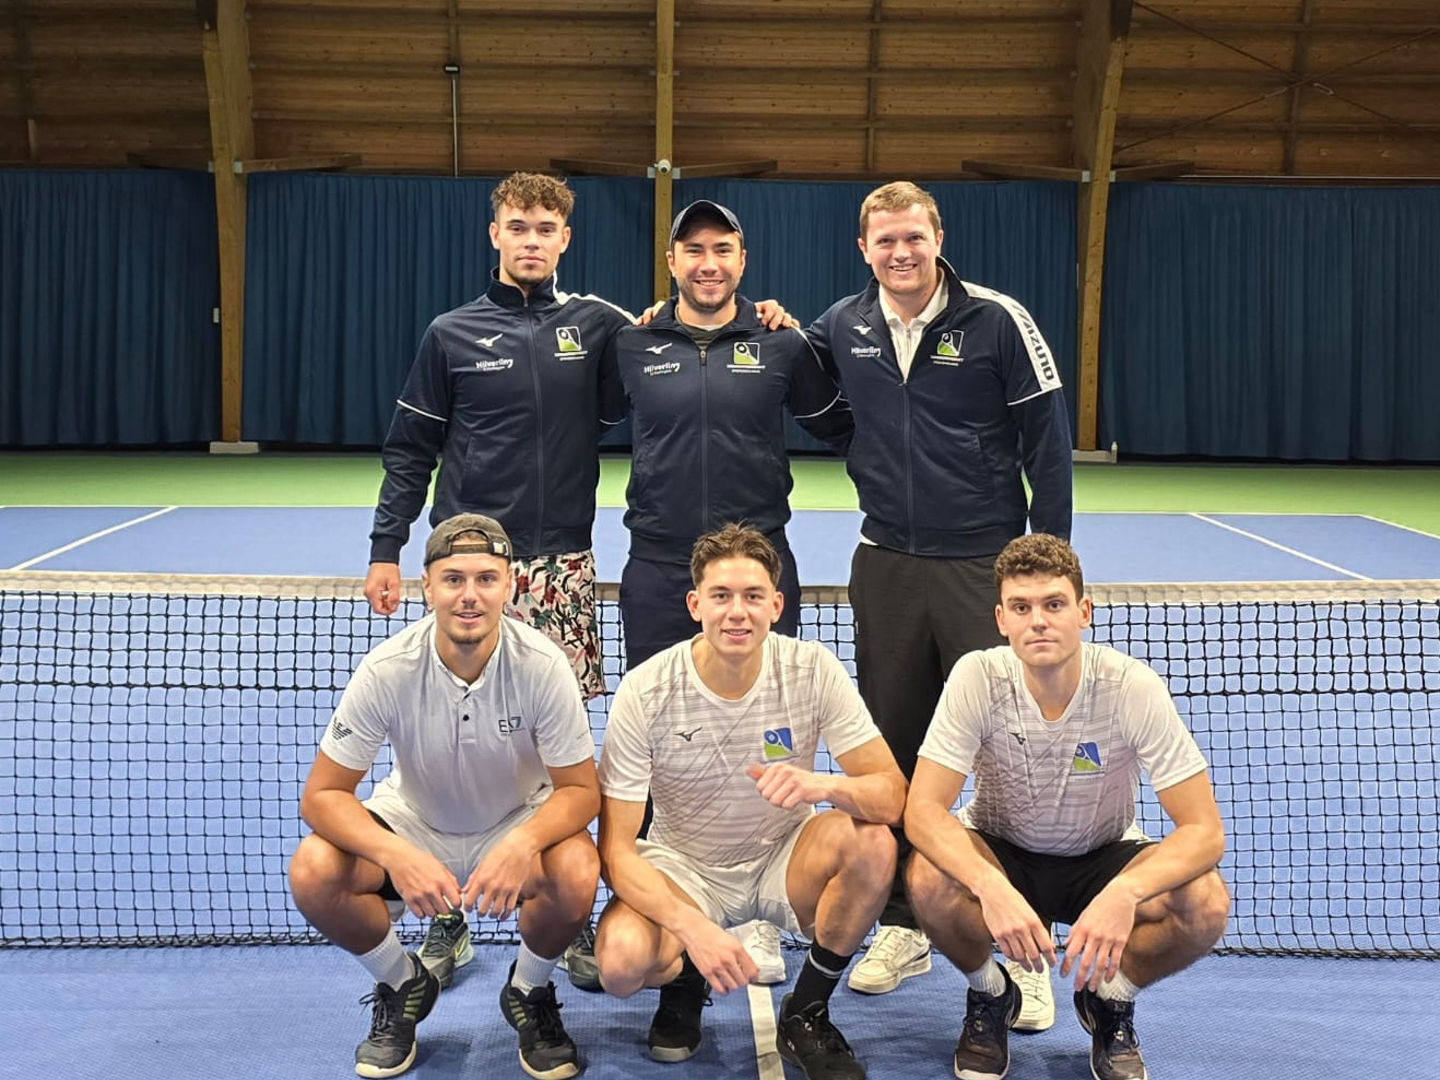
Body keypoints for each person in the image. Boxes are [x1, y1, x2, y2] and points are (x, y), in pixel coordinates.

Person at [803, 180, 1074, 1008]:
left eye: (912, 237)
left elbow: (1049, 443)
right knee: (893, 746)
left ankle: (1018, 942)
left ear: (937, 236)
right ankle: (903, 925)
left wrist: (1046, 565)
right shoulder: (843, 326)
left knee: (1001, 750)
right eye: (884, 241)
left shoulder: (998, 318)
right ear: (863, 249)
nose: (900, 252)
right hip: (885, 565)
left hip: (979, 566)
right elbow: (820, 406)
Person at [903, 533, 1230, 1080]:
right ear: (1001, 618)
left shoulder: (1132, 687)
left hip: (1103, 854)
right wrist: (990, 886)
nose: (1039, 622)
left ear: (1083, 611)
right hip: (1001, 849)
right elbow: (923, 813)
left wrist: (1125, 892)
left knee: (1206, 901)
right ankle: (990, 995)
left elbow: (1204, 830)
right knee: (929, 877)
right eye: (1022, 607)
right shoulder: (976, 678)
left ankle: (1111, 1000)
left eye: (1054, 605)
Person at [289, 514, 602, 1080]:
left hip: (514, 819)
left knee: (578, 868)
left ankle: (528, 993)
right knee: (314, 869)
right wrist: (398, 856)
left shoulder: (544, 667)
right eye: (453, 578)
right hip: (414, 822)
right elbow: (323, 796)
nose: (470, 595)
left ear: (510, 586)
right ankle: (401, 984)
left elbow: (582, 791)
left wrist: (523, 842)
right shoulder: (387, 669)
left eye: (486, 579)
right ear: (428, 586)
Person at [593, 524, 907, 1080]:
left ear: (777, 604)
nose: (737, 612)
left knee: (874, 843)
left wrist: (825, 787)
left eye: (753, 596)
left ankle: (806, 1010)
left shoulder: (812, 669)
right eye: (721, 596)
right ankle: (687, 980)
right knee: (618, 965)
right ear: (695, 604)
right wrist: (695, 930)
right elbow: (617, 851)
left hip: (786, 855)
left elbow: (890, 793)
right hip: (684, 866)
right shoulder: (646, 690)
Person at [602, 198, 852, 668]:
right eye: (694, 250)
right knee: (656, 724)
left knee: (769, 727)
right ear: (672, 261)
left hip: (760, 567)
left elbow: (847, 433)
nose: (709, 264)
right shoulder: (632, 344)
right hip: (659, 571)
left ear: (743, 259)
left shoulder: (782, 343)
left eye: (722, 249)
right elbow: (576, 425)